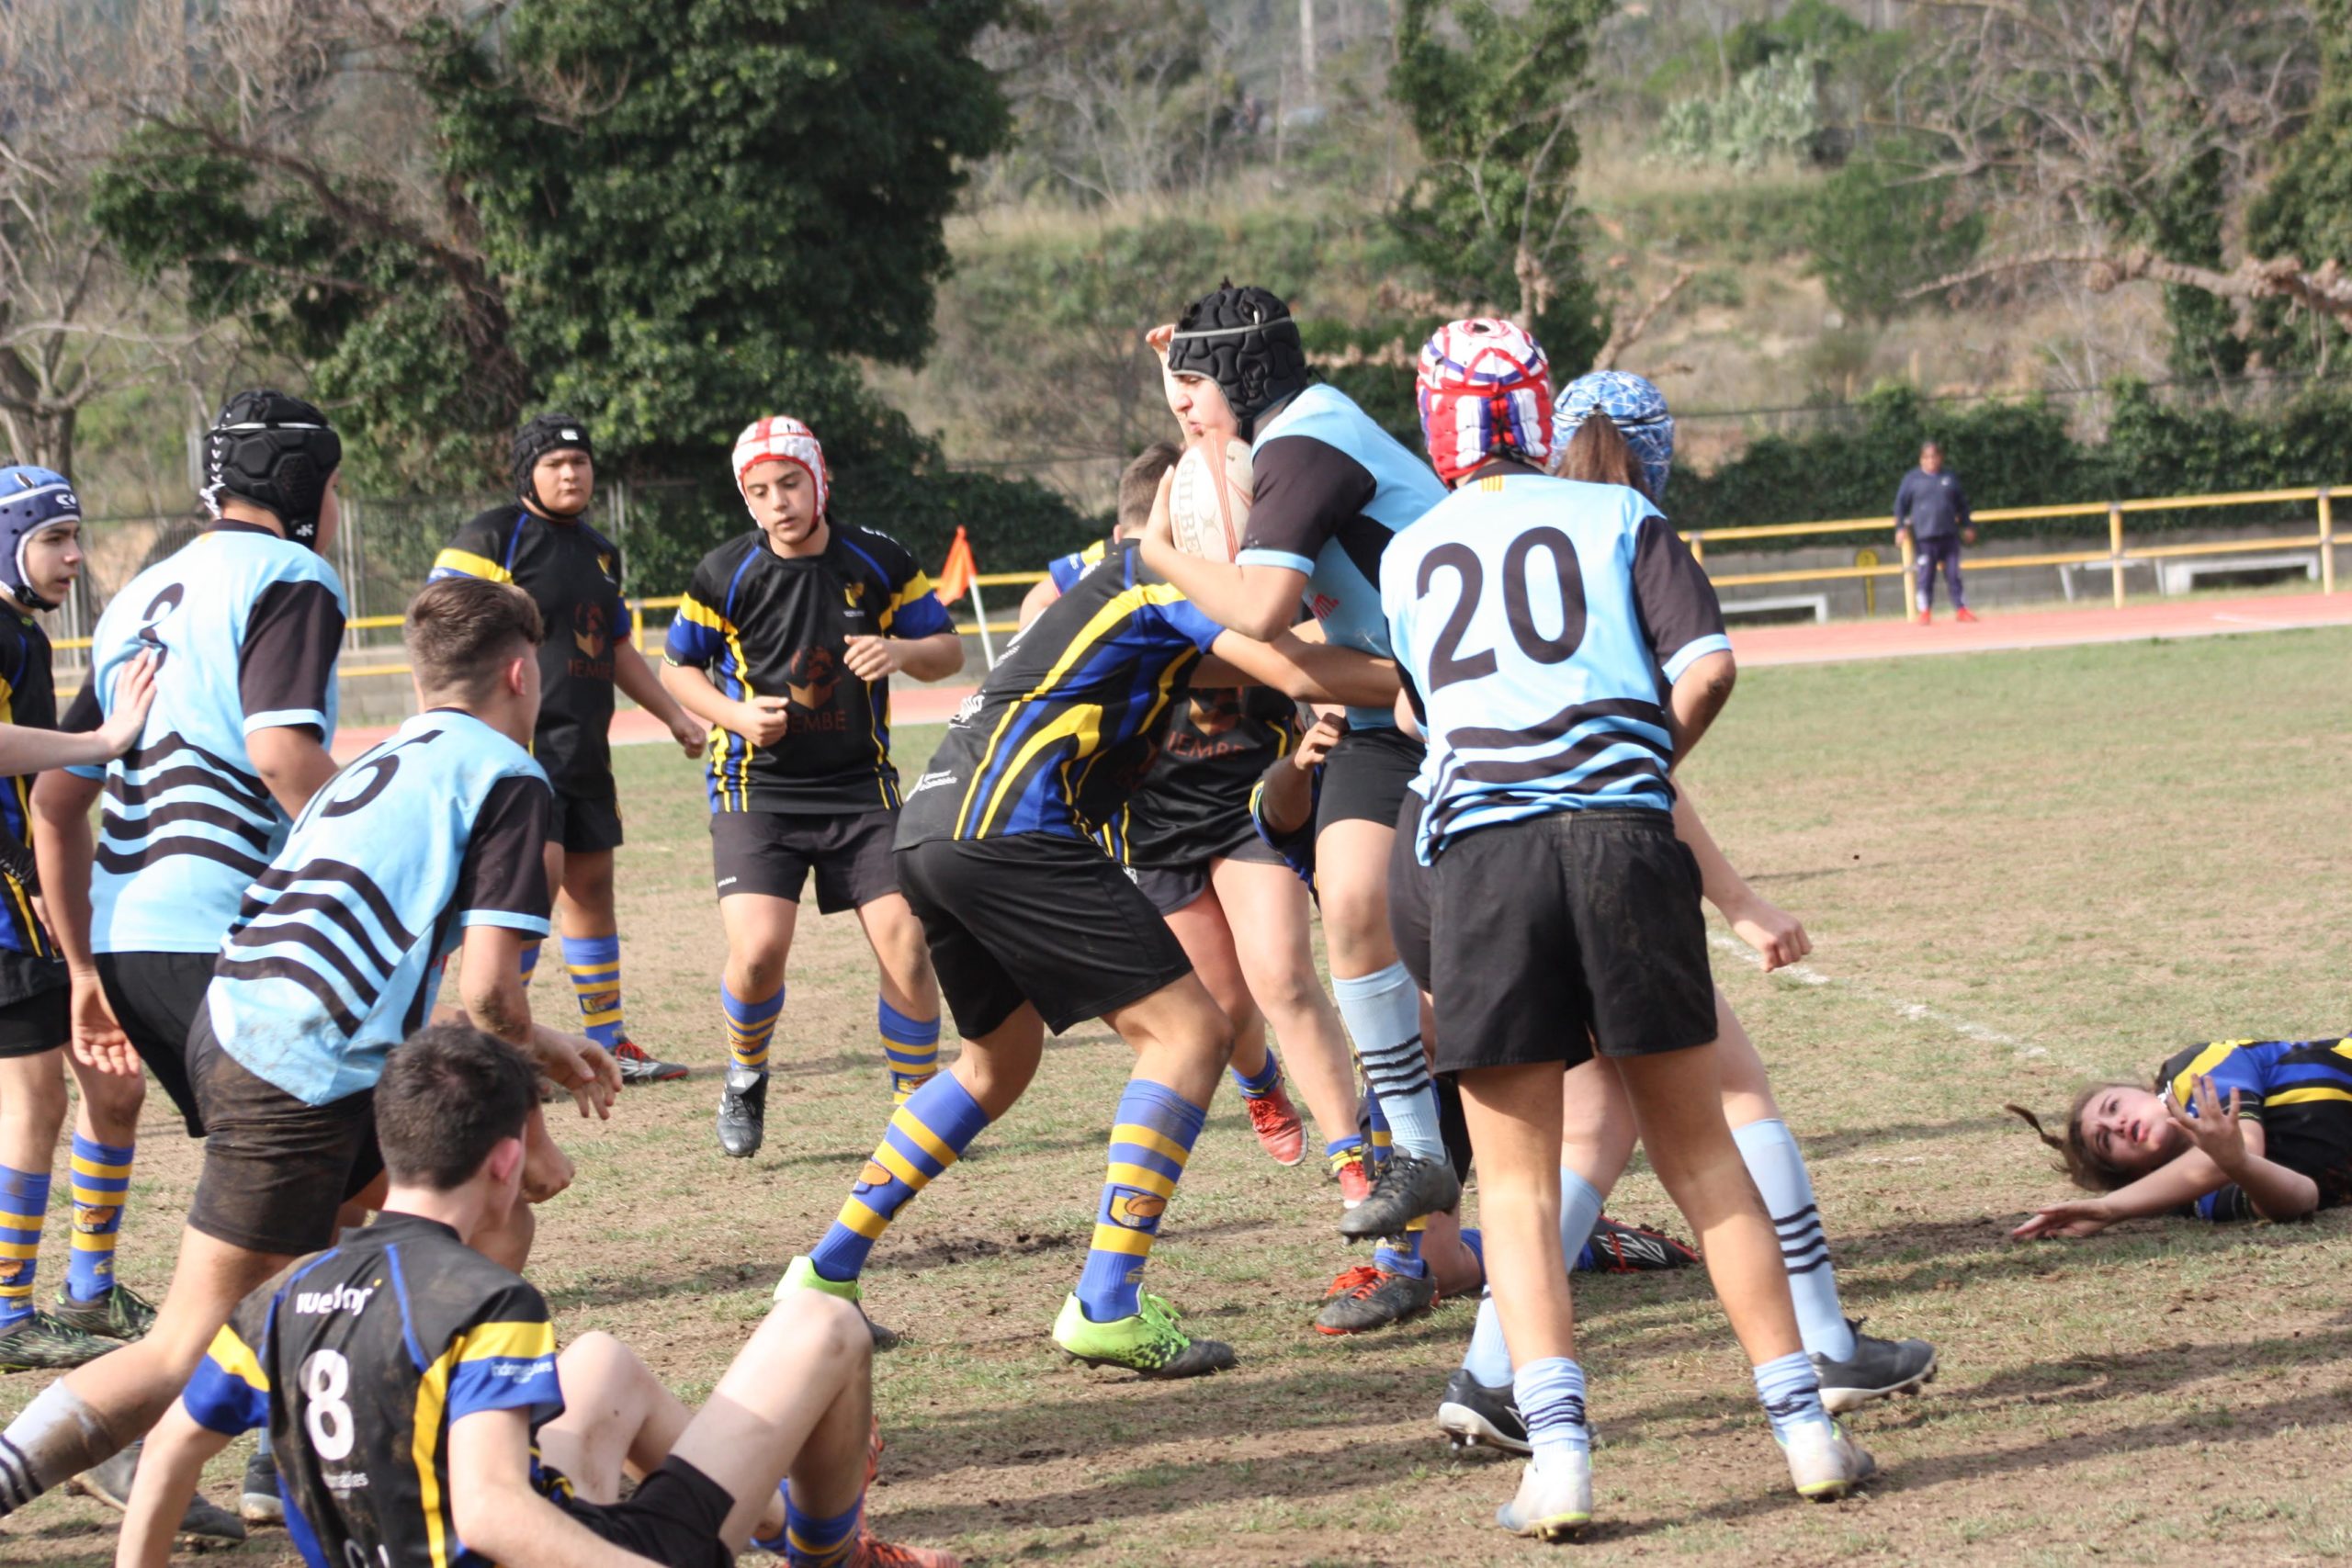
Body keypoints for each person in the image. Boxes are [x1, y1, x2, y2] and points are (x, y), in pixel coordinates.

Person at [1383, 320, 1871, 1537]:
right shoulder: (1620, 520)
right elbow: (1707, 667)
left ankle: (1559, 1459)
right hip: (1620, 848)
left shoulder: (1409, 553)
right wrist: (1629, 772)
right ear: (1539, 409)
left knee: (1516, 1181)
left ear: (1435, 421)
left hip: (1483, 862)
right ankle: (1806, 1428)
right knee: (1701, 1152)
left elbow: (1418, 713)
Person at [0, 575, 618, 1535]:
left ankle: (449, 1467)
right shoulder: (509, 779)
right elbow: (487, 991)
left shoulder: (397, 753)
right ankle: (104, 1446)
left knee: (472, 1225)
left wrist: (540, 1045)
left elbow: (457, 990)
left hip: (268, 1033)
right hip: (295, 1067)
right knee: (181, 1345)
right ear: (520, 673)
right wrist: (532, 1138)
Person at [775, 518, 1398, 1376]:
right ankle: (1106, 1302)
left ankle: (824, 1271)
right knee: (1190, 1034)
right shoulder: (1158, 575)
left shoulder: (1130, 596)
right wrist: (1455, 672)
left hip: (935, 826)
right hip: (1011, 826)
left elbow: (1292, 661)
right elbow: (1292, 665)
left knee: (996, 1062)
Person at [119, 1022, 956, 1568]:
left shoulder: (285, 1292)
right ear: (506, 1159)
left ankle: (773, 1520)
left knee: (596, 1364)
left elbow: (168, 1453)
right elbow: (490, 1511)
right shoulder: (481, 1299)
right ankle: (831, 1557)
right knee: (822, 1321)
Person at [1138, 283, 1463, 1272]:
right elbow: (1282, 645)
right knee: (1355, 902)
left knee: (1471, 973)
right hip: (1383, 712)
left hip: (1463, 697)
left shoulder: (1308, 443)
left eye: (1193, 381)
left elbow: (1268, 606)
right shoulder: (1273, 440)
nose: (1183, 405)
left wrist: (1154, 552)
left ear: (1238, 373)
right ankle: (1414, 1154)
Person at [1020, 445, 1336, 1181]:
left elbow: (1305, 648)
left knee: (1281, 972)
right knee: (1223, 1006)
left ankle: (1350, 1148)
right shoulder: (1092, 571)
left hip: (1249, 801)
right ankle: (1261, 1082)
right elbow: (1038, 623)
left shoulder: (1248, 557)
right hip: (1150, 819)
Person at [662, 417, 964, 1159]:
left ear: (819, 479)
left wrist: (899, 650)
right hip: (755, 790)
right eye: (759, 491)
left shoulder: (880, 558)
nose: (778, 503)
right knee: (760, 949)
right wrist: (734, 713)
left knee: (907, 939)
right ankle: (745, 1072)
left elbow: (948, 650)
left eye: (790, 483)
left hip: (860, 787)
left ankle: (914, 1105)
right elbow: (677, 669)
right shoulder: (724, 571)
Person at [431, 413, 707, 1085]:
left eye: (580, 463)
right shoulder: (492, 537)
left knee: (591, 887)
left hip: (583, 747)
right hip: (514, 753)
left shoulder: (600, 550)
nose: (570, 474)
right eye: (555, 463)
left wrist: (675, 714)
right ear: (527, 470)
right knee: (529, 893)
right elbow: (433, 626)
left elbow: (614, 647)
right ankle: (502, 1053)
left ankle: (607, 1042)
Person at [0, 468, 162, 1373]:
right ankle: (8, 1313)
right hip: (0, 914)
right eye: (54, 539)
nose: (74, 557)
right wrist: (101, 741)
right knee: (34, 1099)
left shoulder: (22, 634)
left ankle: (90, 1291)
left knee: (116, 1084)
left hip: (33, 905)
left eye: (75, 536)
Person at [2008, 1036, 2352, 1236]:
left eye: (2113, 1107)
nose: (2116, 1125)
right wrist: (2241, 1167)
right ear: (2136, 1175)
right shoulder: (2201, 1202)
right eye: (2106, 1142)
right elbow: (2301, 1199)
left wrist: (2112, 1208)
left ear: (2148, 1091)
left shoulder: (2192, 1069)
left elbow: (2242, 1143)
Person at [1894, 441, 1976, 626]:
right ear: (1921, 459)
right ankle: (1925, 611)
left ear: (1940, 457)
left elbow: (1962, 505)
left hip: (1949, 535)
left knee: (1954, 574)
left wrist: (1968, 526)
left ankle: (1961, 609)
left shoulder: (1949, 477)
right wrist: (1900, 528)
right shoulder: (1912, 479)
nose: (1931, 460)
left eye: (1934, 456)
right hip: (1925, 537)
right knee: (1926, 576)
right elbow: (1900, 506)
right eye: (1927, 457)